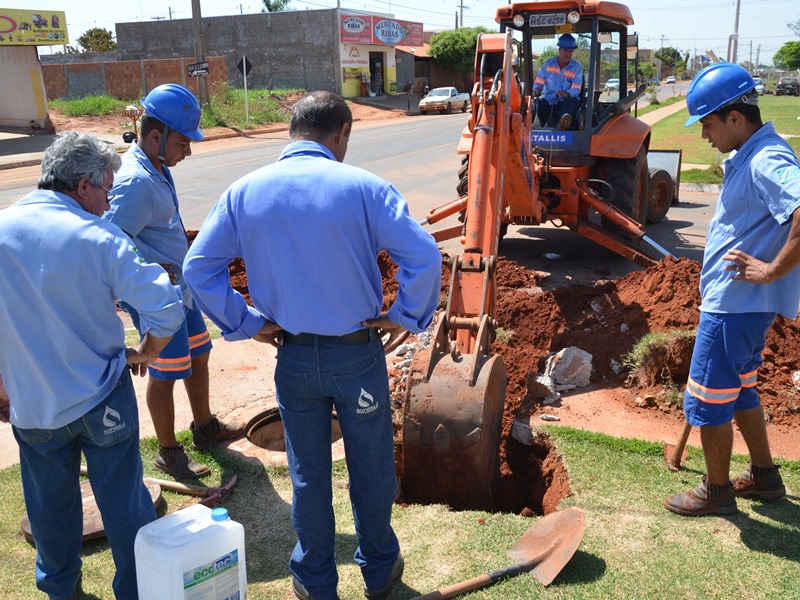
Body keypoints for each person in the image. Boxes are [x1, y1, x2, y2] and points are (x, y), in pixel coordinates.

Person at [183, 91, 442, 600]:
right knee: (369, 467)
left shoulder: (245, 191)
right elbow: (425, 256)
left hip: (294, 356)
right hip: (356, 354)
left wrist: (247, 323)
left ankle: (315, 580)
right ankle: (379, 571)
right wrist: (405, 316)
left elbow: (198, 269)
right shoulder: (366, 187)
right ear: (341, 132)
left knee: (308, 474)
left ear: (292, 130)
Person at [0, 131, 184, 598]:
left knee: (49, 509)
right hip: (102, 397)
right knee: (125, 504)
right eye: (106, 188)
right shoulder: (99, 236)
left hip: (34, 403)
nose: (108, 201)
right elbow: (165, 306)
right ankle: (138, 590)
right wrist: (146, 352)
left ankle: (61, 591)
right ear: (82, 186)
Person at [665, 62, 800, 516]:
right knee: (739, 392)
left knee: (707, 399)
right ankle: (764, 476)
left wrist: (769, 271)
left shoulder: (765, 158)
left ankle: (717, 491)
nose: (704, 135)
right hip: (740, 307)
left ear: (735, 118)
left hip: (735, 307)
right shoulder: (750, 153)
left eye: (707, 124)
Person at [104, 83, 245, 479]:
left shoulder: (157, 167)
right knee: (165, 371)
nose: (188, 150)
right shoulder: (135, 181)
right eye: (184, 142)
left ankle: (204, 428)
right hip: (157, 297)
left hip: (181, 291)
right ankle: (168, 452)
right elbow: (109, 241)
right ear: (155, 137)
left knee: (199, 352)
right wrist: (153, 269)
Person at [532, 33, 583, 131]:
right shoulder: (548, 64)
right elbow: (539, 81)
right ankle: (531, 126)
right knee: (534, 104)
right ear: (559, 50)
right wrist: (537, 89)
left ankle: (562, 125)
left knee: (572, 103)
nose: (567, 54)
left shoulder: (576, 67)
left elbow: (576, 88)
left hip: (566, 100)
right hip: (549, 100)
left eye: (570, 51)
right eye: (565, 50)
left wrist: (567, 93)